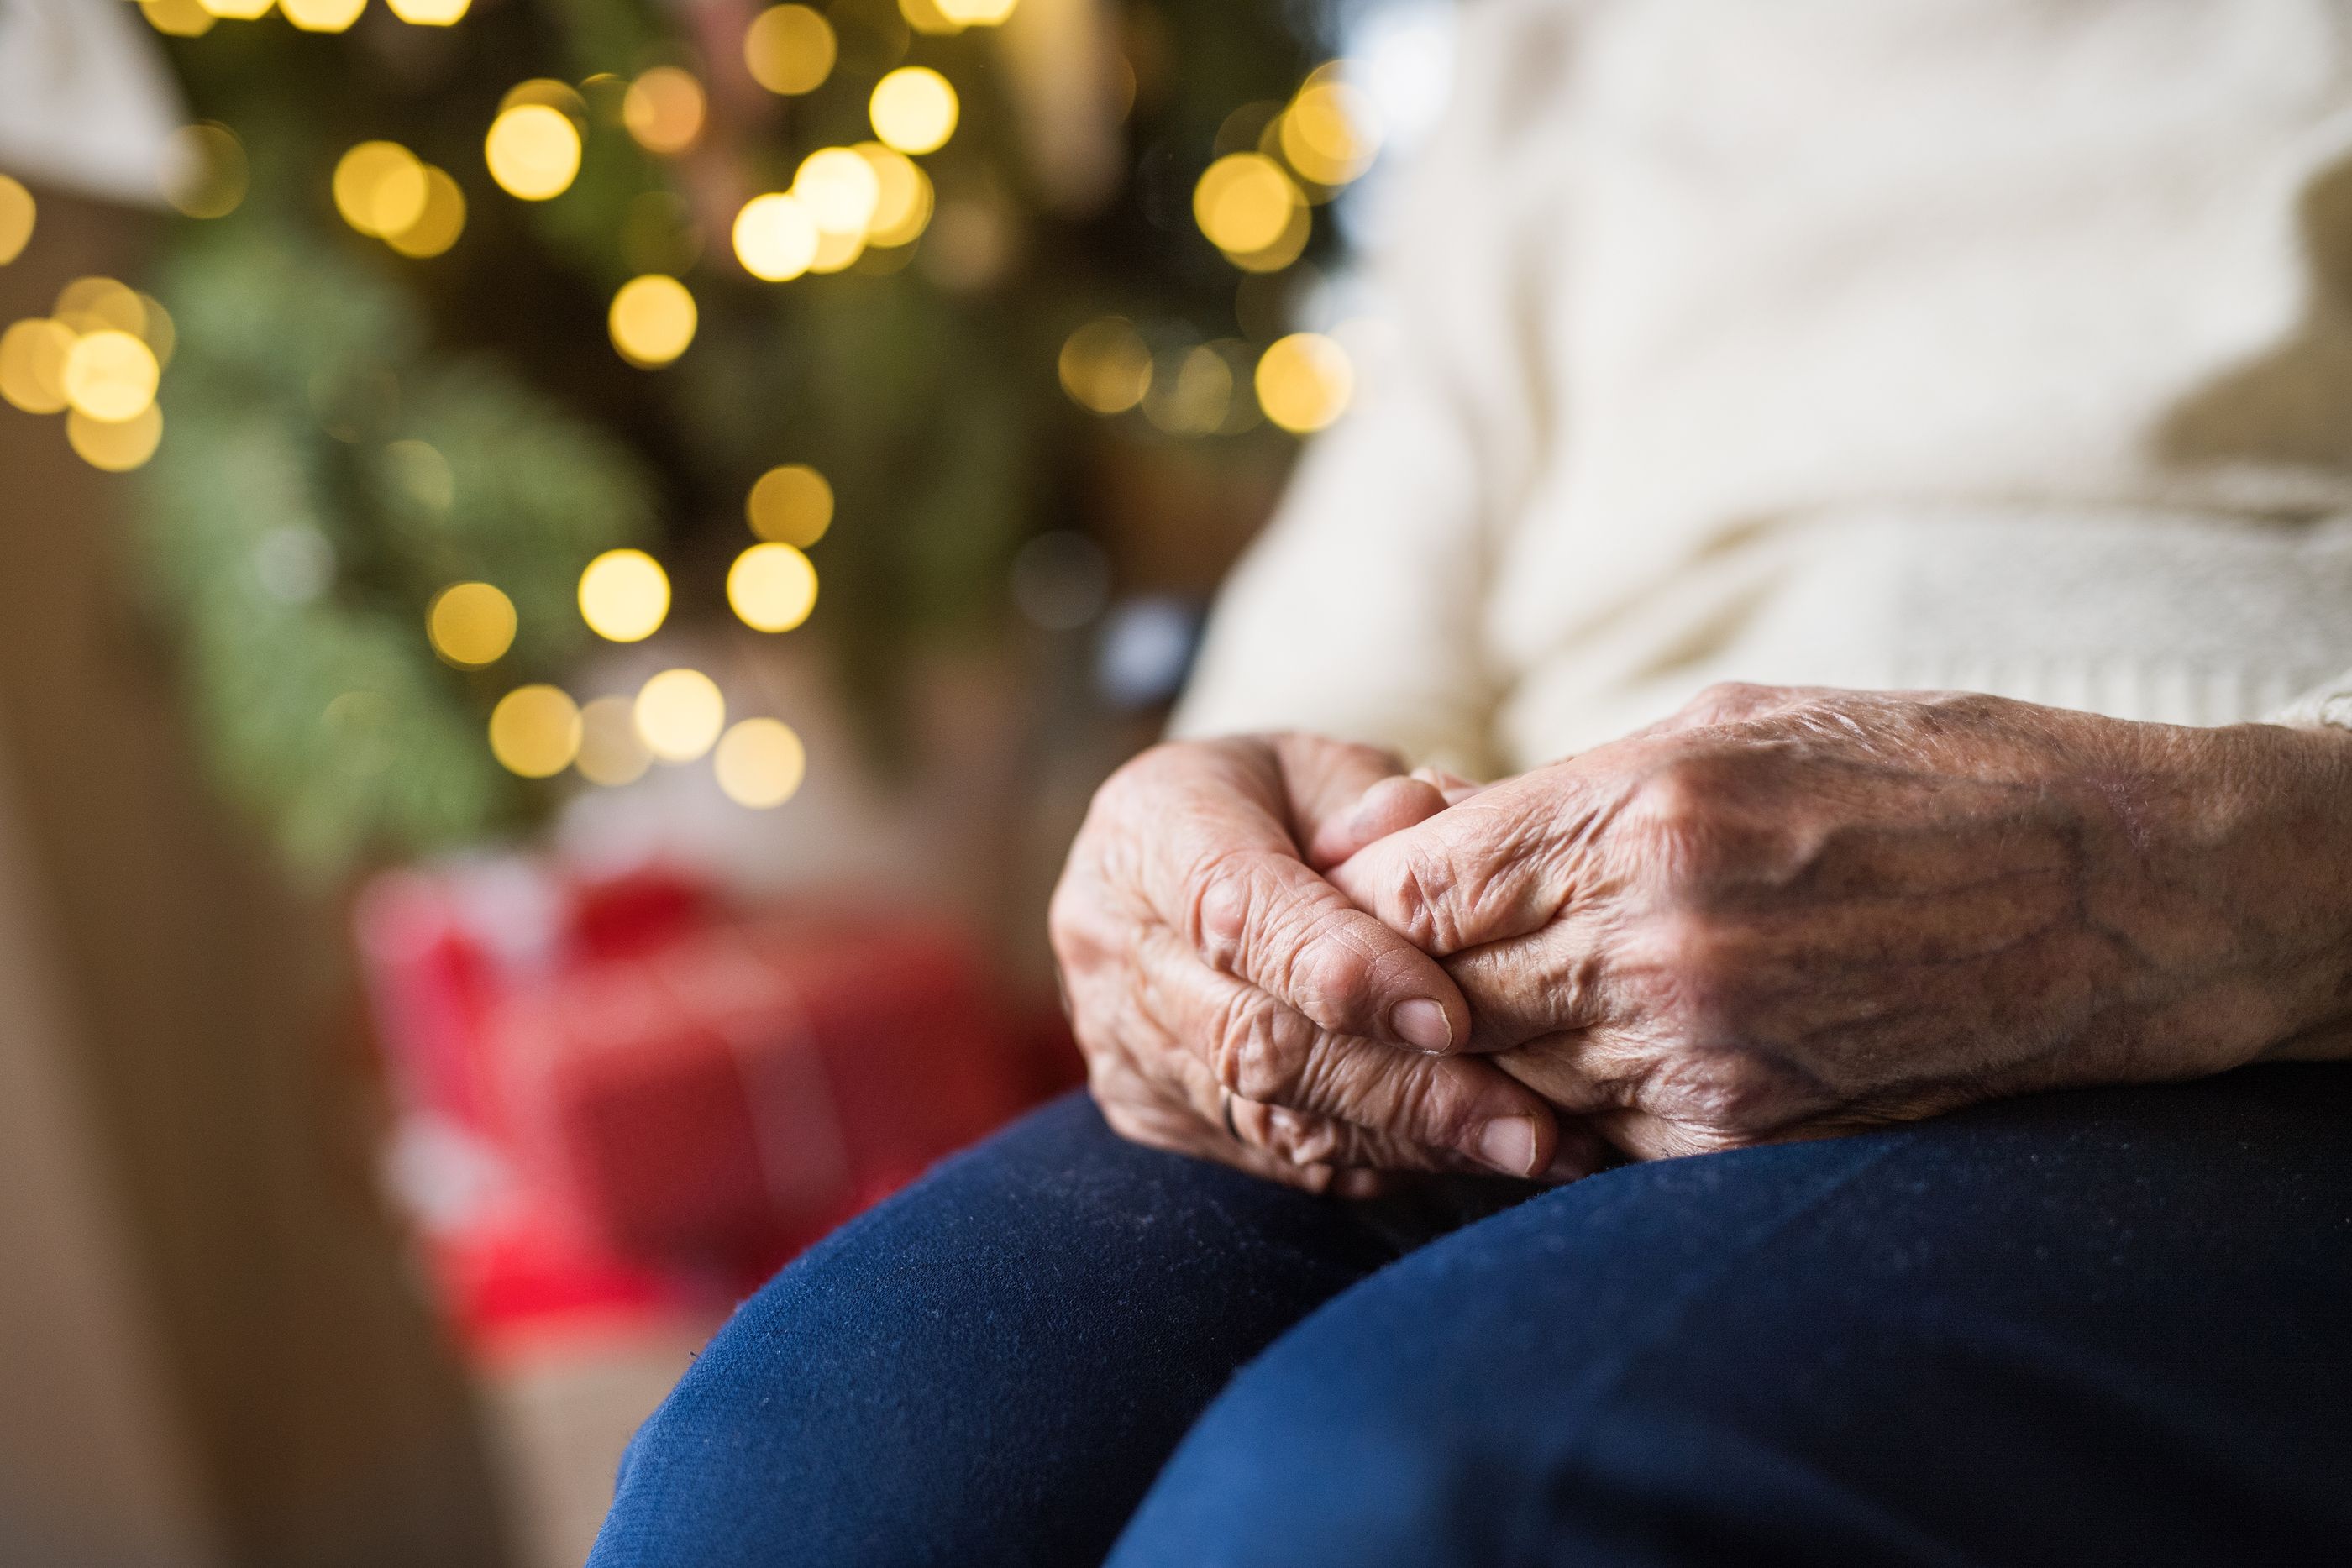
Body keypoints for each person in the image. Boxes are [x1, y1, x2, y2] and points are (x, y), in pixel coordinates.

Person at [590, 3, 2352, 1562]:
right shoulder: (1558, 37)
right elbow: (1356, 607)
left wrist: (2174, 873)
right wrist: (1229, 837)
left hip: (2243, 1004)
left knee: (1404, 1502)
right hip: (1517, 972)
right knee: (811, 1467)